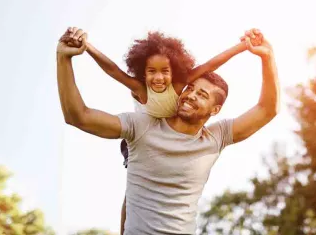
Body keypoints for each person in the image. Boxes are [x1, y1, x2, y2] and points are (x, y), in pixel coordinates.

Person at [57, 27, 279, 235]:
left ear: (215, 109)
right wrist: (64, 58)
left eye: (202, 95)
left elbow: (267, 109)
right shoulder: (141, 126)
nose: (191, 95)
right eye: (190, 88)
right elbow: (78, 116)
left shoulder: (215, 137)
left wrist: (267, 57)